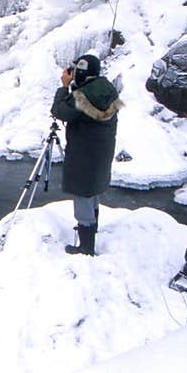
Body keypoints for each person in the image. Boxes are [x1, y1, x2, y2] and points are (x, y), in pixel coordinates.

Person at [50, 54, 123, 256]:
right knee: (92, 190)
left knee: (82, 193)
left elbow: (59, 111)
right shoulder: (105, 88)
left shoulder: (82, 97)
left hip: (84, 152)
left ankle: (85, 246)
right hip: (101, 151)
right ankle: (92, 229)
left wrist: (64, 86)